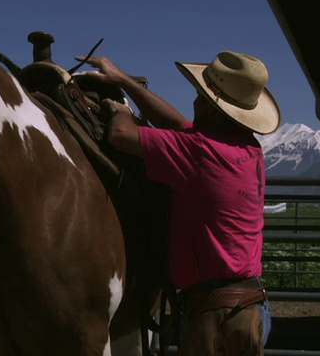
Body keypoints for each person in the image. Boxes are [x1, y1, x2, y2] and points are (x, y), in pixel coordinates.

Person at [77, 51, 280, 355]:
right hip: (248, 305)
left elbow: (120, 136)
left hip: (217, 316)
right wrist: (124, 81)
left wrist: (121, 111)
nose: (195, 101)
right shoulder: (247, 148)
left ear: (213, 110)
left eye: (200, 96)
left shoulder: (201, 152)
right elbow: (176, 123)